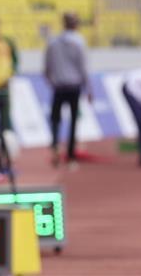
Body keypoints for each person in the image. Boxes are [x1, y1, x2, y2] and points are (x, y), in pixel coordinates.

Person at [44, 13, 90, 168]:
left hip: (58, 86)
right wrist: (89, 88)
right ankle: (70, 155)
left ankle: (55, 145)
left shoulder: (53, 42)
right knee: (73, 120)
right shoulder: (79, 41)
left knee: (55, 118)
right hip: (74, 86)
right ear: (75, 24)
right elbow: (83, 67)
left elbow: (47, 67)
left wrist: (51, 81)